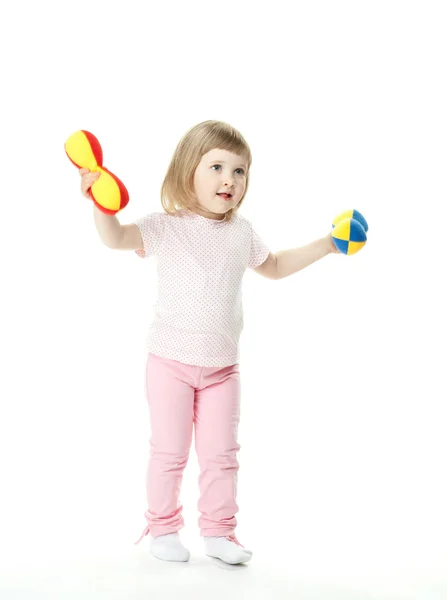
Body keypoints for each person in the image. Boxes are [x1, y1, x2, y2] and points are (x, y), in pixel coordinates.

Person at [79, 120, 339, 565]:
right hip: (169, 365)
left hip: (223, 368)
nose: (229, 180)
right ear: (187, 171)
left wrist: (329, 243)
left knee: (222, 455)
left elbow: (274, 266)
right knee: (169, 451)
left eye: (240, 172)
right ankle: (163, 528)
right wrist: (102, 206)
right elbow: (116, 239)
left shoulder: (242, 233)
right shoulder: (166, 227)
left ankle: (220, 533)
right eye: (217, 166)